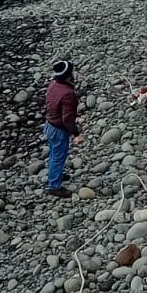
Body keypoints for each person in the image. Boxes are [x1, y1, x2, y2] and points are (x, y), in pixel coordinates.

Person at [44, 59, 83, 198]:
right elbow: (67, 118)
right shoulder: (68, 93)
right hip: (58, 130)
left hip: (49, 125)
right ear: (68, 75)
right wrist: (76, 134)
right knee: (58, 157)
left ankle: (56, 174)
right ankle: (54, 185)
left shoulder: (53, 85)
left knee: (54, 155)